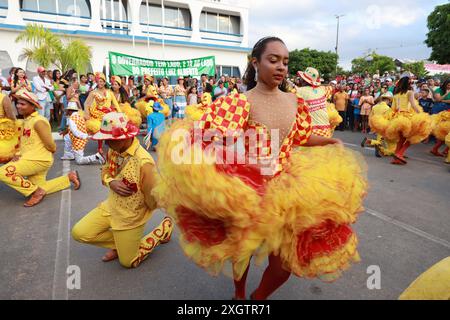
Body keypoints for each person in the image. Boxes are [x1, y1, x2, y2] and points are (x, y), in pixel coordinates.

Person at [153, 36, 368, 300]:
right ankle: (240, 295)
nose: (281, 67)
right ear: (256, 63)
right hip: (247, 190)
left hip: (287, 190)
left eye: (285, 62)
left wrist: (328, 140)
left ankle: (258, 298)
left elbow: (301, 137)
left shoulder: (294, 102)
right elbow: (211, 137)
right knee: (241, 251)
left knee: (283, 266)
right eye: (273, 60)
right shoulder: (239, 102)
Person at [71, 112, 173, 268]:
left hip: (131, 217)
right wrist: (111, 182)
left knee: (128, 262)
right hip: (111, 207)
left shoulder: (144, 162)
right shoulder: (114, 150)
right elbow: (105, 171)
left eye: (109, 139)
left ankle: (163, 230)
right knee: (79, 233)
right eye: (105, 139)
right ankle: (123, 244)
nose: (106, 143)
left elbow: (152, 200)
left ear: (124, 138)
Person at [0, 89, 80, 207]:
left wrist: (42, 154)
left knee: (3, 172)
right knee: (41, 186)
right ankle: (69, 178)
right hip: (32, 158)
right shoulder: (26, 120)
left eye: (23, 104)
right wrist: (18, 155)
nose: (18, 106)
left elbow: (51, 145)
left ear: (33, 106)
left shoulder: (39, 121)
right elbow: (24, 142)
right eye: (18, 103)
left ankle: (36, 192)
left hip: (39, 160)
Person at [383, 74, 432, 165]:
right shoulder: (410, 92)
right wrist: (421, 114)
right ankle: (400, 154)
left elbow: (393, 108)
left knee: (401, 139)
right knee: (412, 137)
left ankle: (396, 157)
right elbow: (413, 105)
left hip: (397, 118)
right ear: (408, 84)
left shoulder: (396, 94)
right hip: (407, 117)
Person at [296, 67, 332, 138]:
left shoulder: (298, 91)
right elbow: (330, 88)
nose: (299, 79)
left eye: (301, 78)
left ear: (303, 80)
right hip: (326, 131)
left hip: (310, 132)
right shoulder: (324, 89)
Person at [361, 92, 396, 157]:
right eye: (389, 101)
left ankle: (378, 151)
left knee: (380, 139)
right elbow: (389, 118)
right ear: (387, 100)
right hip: (384, 126)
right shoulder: (388, 108)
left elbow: (370, 117)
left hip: (376, 126)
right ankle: (369, 141)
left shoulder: (375, 107)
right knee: (381, 141)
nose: (389, 102)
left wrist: (372, 125)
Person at [0, 86, 20, 163]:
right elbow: (10, 115)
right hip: (3, 126)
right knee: (6, 154)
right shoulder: (3, 97)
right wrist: (17, 123)